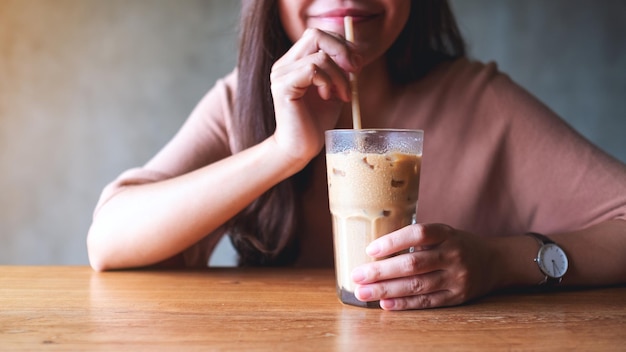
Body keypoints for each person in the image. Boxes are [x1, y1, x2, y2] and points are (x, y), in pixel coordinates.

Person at [87, 0, 626, 310]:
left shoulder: (480, 101)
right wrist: (283, 149)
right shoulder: (241, 101)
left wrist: (498, 262)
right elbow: (108, 240)